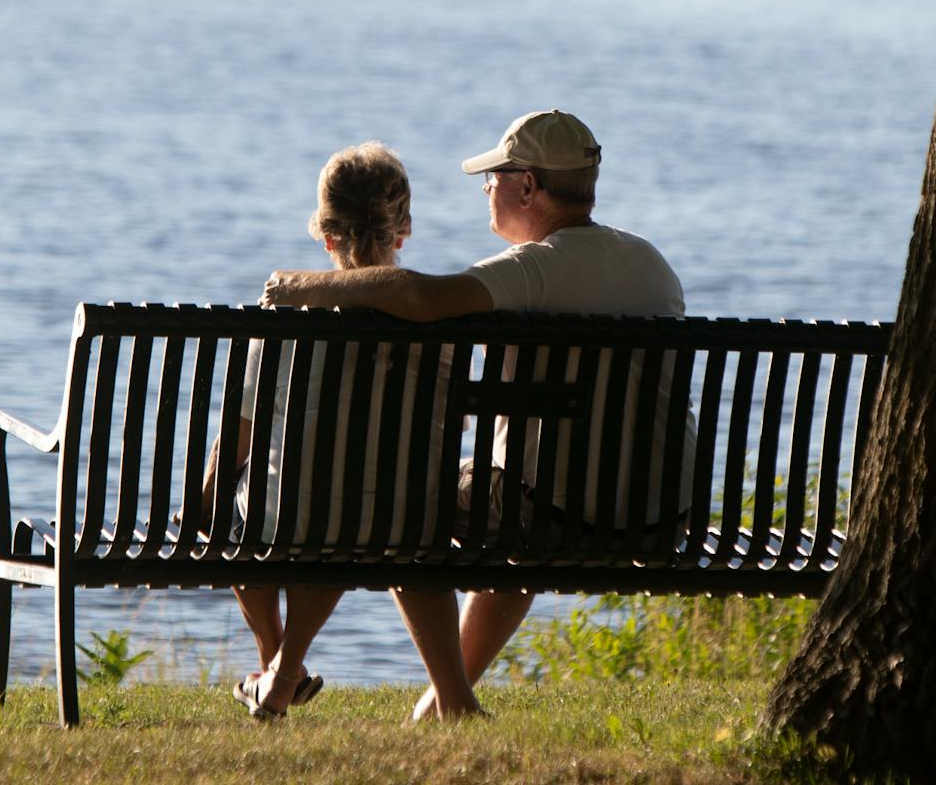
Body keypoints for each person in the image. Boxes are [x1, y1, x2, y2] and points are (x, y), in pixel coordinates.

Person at [262, 109, 696, 721]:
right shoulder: (651, 263)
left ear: (528, 186)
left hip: (554, 514)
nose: (486, 189)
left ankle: (445, 697)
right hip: (658, 520)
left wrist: (299, 285)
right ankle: (443, 699)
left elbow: (422, 297)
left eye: (493, 177)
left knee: (405, 502)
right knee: (504, 494)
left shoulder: (535, 269)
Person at [209, 141, 415, 719]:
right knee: (336, 515)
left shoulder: (287, 314)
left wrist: (203, 500)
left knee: (240, 510)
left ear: (326, 237)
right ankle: (282, 668)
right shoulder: (431, 312)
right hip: (398, 516)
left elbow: (238, 436)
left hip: (293, 516)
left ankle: (278, 667)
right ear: (403, 231)